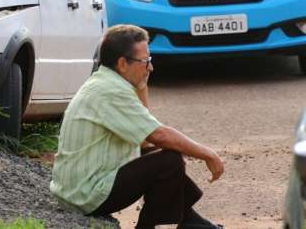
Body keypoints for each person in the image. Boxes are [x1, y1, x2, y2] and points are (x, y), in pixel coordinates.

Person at [50, 25, 225, 229]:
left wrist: (142, 88)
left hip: (77, 190)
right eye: (146, 61)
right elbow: (159, 135)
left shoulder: (106, 82)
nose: (150, 68)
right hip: (86, 195)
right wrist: (208, 154)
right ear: (123, 63)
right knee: (169, 161)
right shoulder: (111, 91)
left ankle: (190, 221)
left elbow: (144, 139)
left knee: (160, 153)